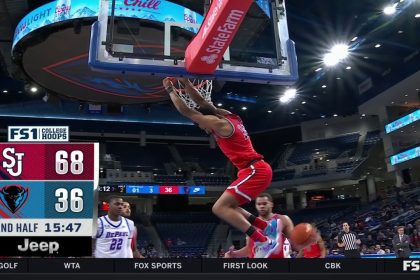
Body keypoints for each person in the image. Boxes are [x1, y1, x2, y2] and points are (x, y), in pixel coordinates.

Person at [164, 78, 293, 257]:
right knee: (229, 207)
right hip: (255, 170)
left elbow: (187, 111)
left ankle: (262, 241)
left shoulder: (220, 125)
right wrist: (186, 82)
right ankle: (266, 227)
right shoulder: (229, 116)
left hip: (255, 170)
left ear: (207, 120)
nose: (202, 127)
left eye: (201, 124)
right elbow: (202, 102)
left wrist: (170, 88)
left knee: (219, 208)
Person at [223, 193, 303, 258]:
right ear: (256, 206)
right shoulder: (250, 225)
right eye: (259, 204)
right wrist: (234, 254)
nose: (261, 206)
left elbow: (295, 244)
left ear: (271, 204)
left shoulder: (283, 220)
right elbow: (249, 249)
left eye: (264, 204)